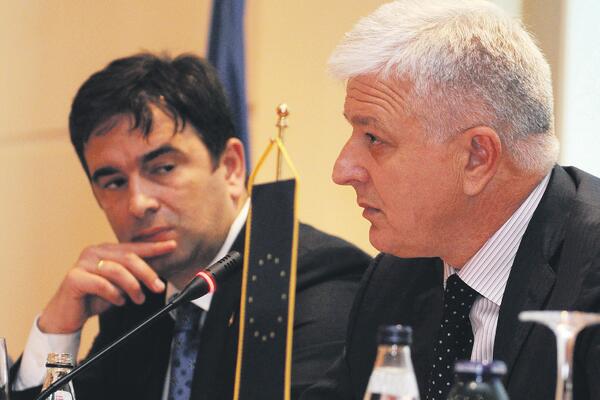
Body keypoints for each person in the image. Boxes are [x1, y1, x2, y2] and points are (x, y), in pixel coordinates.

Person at [10, 53, 371, 400]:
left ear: (231, 167)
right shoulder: (138, 297)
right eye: (114, 182)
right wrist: (58, 329)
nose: (138, 203)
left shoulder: (312, 281)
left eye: (163, 168)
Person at [301, 1, 600, 400]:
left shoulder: (591, 274)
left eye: (374, 138)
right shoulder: (395, 277)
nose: (342, 170)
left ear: (477, 158)